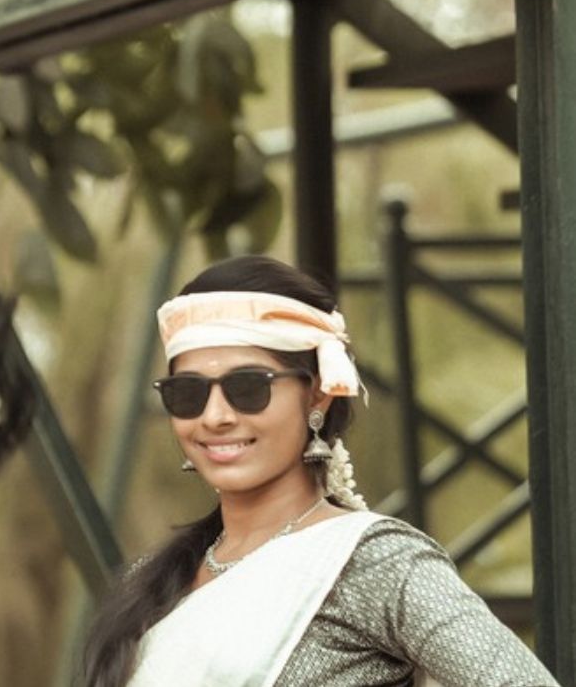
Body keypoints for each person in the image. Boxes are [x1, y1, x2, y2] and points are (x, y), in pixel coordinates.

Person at [79, 253, 558, 687]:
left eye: (248, 387)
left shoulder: (373, 562)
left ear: (318, 394)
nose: (215, 416)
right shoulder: (151, 582)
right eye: (188, 393)